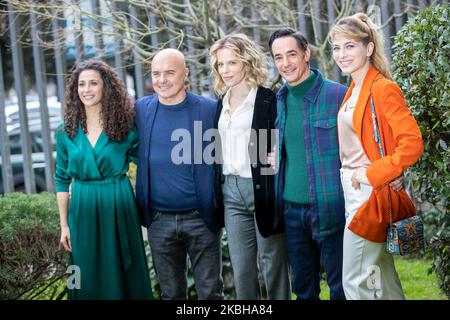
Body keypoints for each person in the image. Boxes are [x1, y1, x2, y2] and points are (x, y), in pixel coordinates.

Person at [329, 13, 423, 300]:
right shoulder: (354, 90)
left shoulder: (383, 88)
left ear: (368, 48)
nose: (341, 55)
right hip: (354, 192)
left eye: (350, 46)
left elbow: (412, 143)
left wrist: (373, 174)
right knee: (381, 276)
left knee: (355, 280)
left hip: (369, 195)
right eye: (336, 47)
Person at [55, 59, 152, 300]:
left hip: (118, 203)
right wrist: (64, 225)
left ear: (105, 87)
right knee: (82, 271)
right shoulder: (65, 130)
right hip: (82, 207)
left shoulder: (125, 127)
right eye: (81, 84)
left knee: (122, 269)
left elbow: (149, 164)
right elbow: (61, 178)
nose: (86, 89)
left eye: (93, 83)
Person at [134, 48, 224, 300]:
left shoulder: (209, 109)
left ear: (185, 74)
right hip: (159, 220)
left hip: (202, 218)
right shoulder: (141, 109)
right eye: (156, 73)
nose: (162, 79)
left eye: (169, 73)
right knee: (171, 295)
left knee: (210, 294)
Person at [209, 34, 291, 300]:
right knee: (242, 268)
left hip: (261, 186)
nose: (225, 70)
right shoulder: (220, 103)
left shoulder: (268, 99)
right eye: (221, 64)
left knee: (272, 262)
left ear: (246, 62)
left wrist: (279, 150)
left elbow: (283, 138)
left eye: (232, 63)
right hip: (230, 192)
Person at [268, 28, 347, 300]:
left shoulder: (338, 96)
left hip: (332, 206)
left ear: (306, 54)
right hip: (292, 211)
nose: (286, 63)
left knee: (341, 287)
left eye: (291, 54)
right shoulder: (278, 100)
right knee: (303, 289)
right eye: (278, 57)